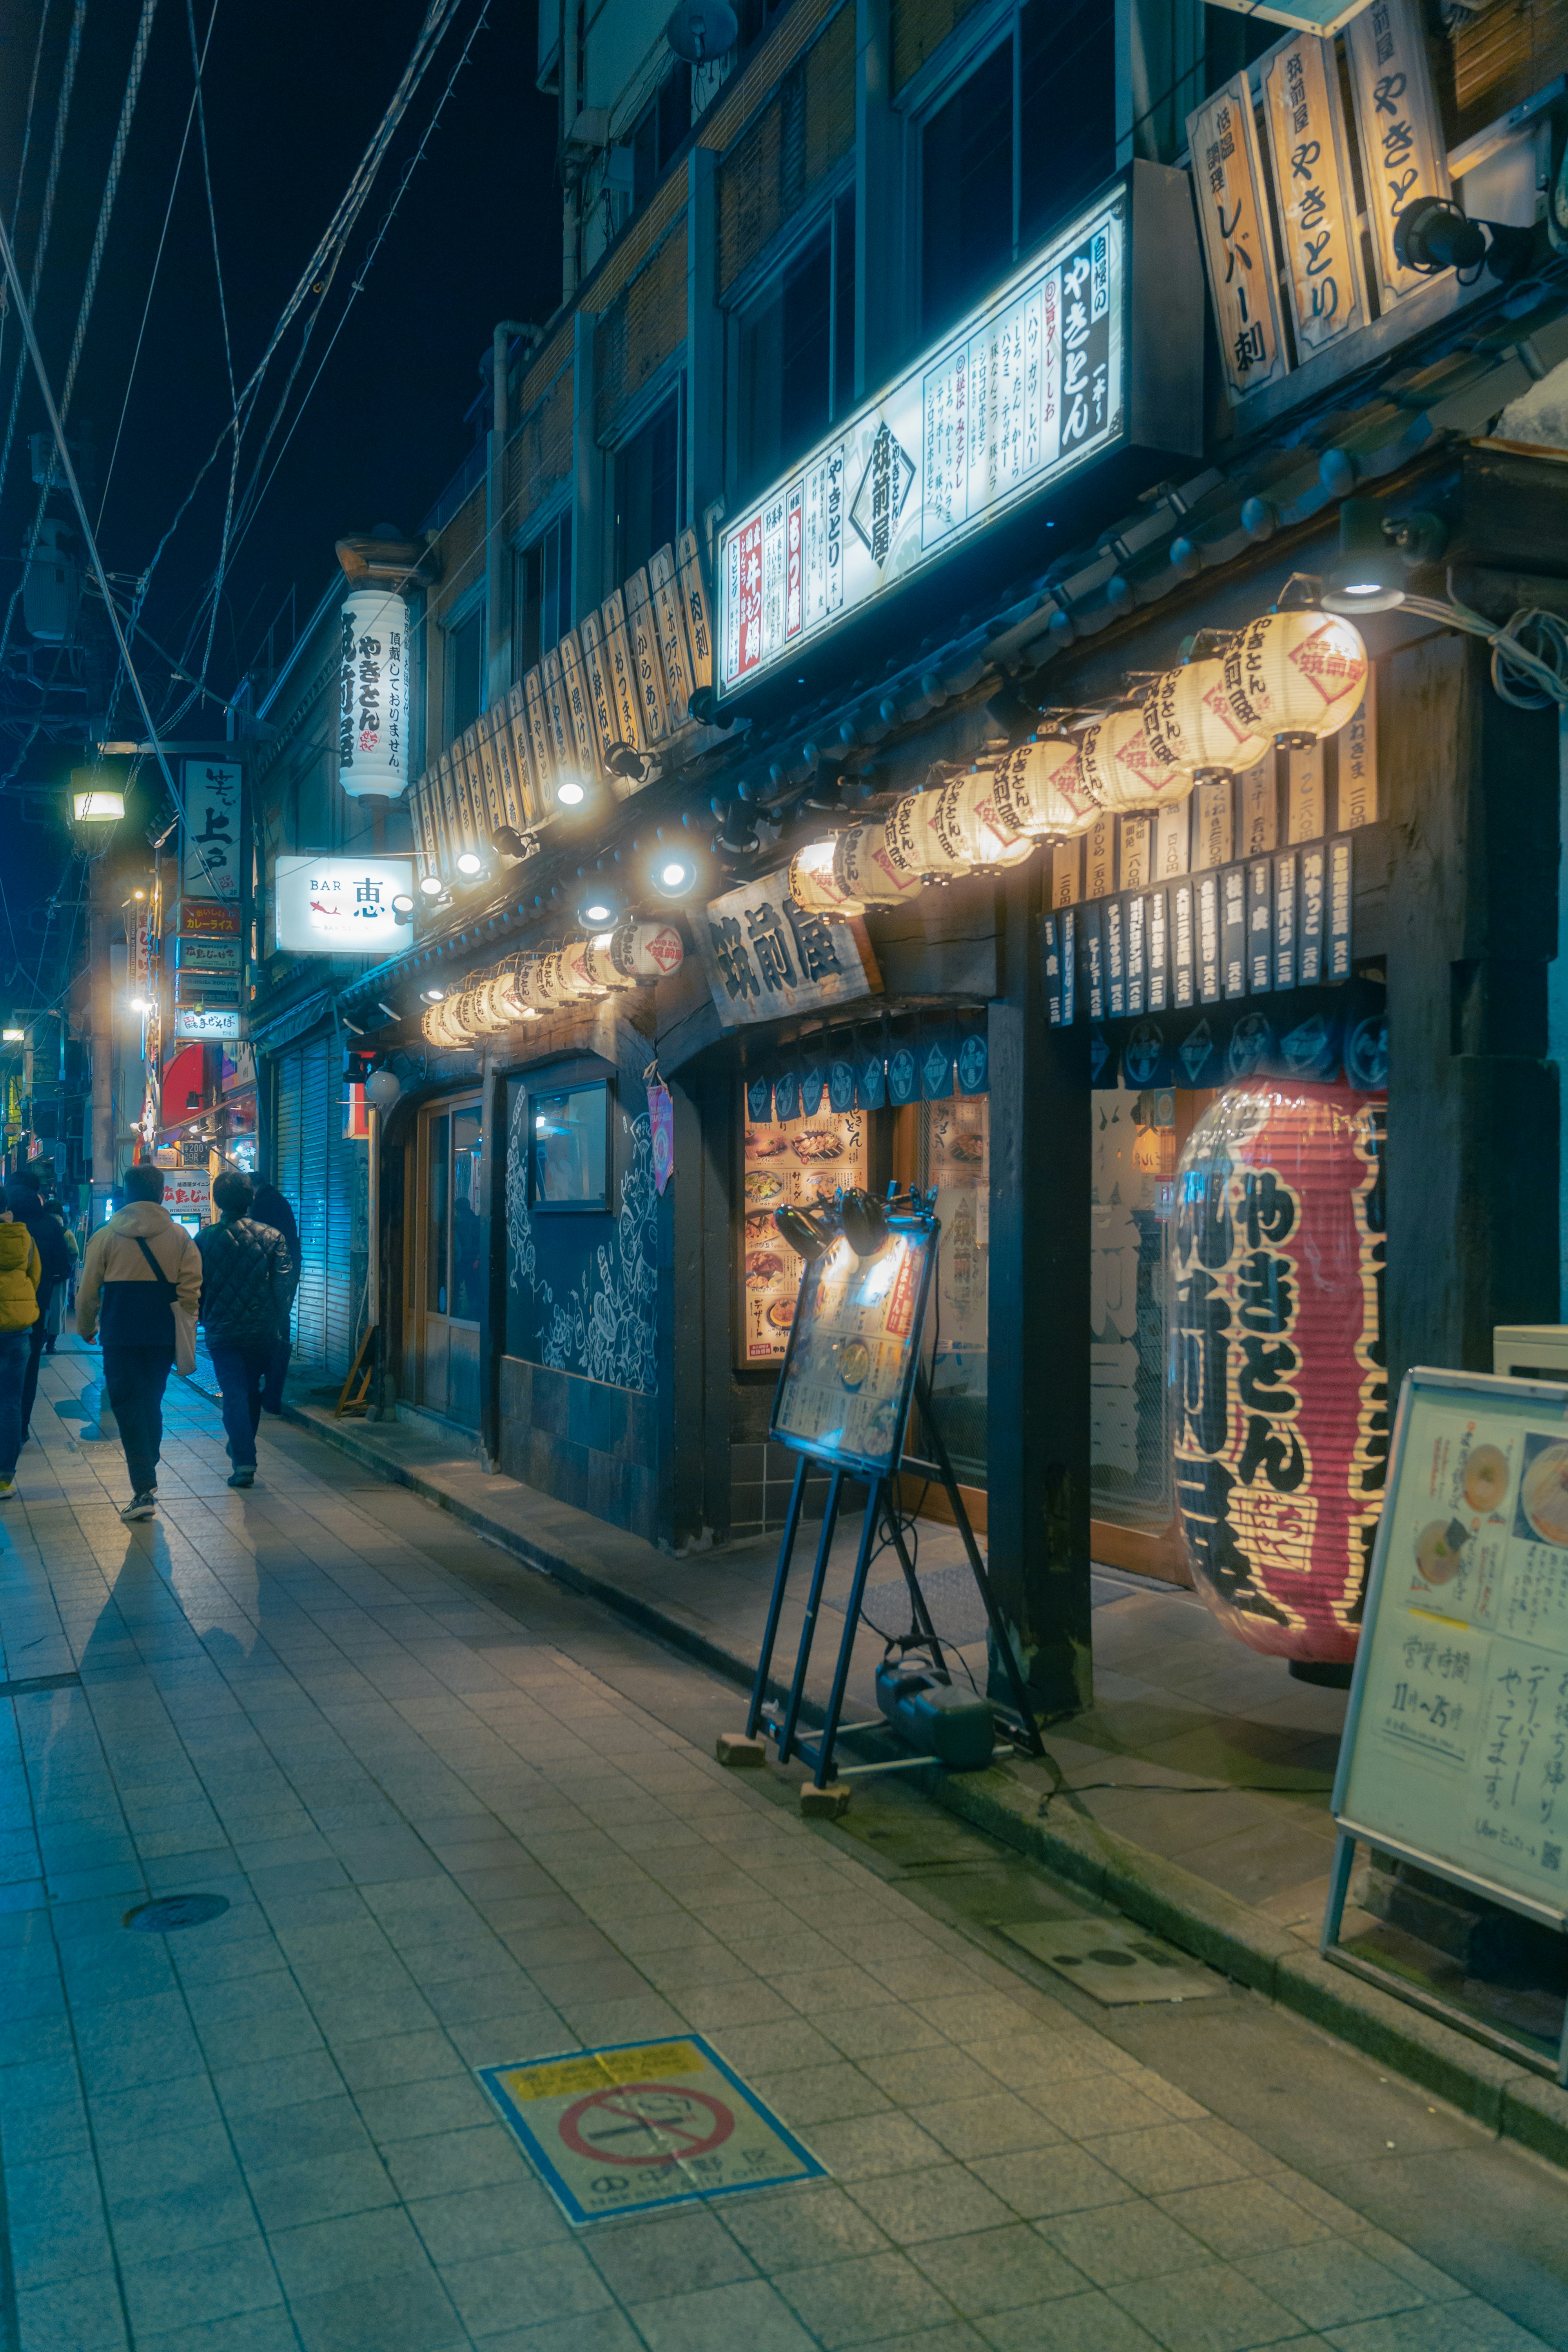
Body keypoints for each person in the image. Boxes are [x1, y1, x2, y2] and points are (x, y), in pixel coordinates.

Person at [75, 1164, 203, 1523]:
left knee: (127, 1404)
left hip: (120, 1334)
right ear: (162, 1194)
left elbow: (87, 1292)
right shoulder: (180, 1237)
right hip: (162, 1334)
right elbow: (192, 1291)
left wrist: (87, 1326)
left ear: (127, 1195)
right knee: (150, 1401)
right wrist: (186, 1331)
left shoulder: (106, 1235)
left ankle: (143, 1485)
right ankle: (148, 1464)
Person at [194, 1171, 296, 1489]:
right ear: (251, 1198)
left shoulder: (204, 1240)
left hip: (221, 1331)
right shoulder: (273, 1237)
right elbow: (285, 1286)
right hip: (262, 1330)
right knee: (251, 1391)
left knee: (235, 1394)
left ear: (217, 1201)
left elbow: (195, 1285)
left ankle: (244, 1459)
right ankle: (243, 1451)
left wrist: (202, 1316)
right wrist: (279, 1322)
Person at [5, 1172, 73, 1445]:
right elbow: (61, 1268)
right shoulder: (49, 1225)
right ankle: (19, 1430)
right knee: (26, 1373)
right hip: (33, 1313)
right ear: (37, 1194)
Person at [0, 1206, 40, 1499]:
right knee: (11, 1403)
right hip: (17, 1330)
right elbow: (34, 1277)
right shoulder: (23, 1237)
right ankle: (4, 1479)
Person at [250, 1180, 299, 1414]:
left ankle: (267, 1394)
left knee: (271, 1339)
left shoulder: (262, 1207)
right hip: (281, 1282)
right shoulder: (278, 1201)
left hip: (268, 1286)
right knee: (279, 1339)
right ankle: (272, 1396)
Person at [39, 1194, 77, 1354]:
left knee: (42, 1308)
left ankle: (40, 1339)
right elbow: (75, 1253)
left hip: (42, 1277)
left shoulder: (41, 1230)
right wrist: (67, 1267)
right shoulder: (66, 1233)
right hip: (60, 1278)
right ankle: (51, 1344)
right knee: (57, 1309)